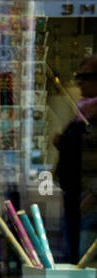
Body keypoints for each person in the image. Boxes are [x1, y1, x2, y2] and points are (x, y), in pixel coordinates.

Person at [53, 55, 97, 264]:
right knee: (72, 259)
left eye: (86, 77)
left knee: (84, 263)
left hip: (90, 200)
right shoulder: (83, 111)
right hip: (74, 196)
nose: (79, 82)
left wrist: (94, 194)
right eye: (78, 76)